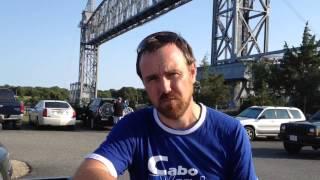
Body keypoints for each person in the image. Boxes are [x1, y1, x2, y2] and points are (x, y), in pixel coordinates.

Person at [74, 31, 258, 180]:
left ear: (193, 72)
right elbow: (90, 172)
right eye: (152, 79)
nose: (165, 87)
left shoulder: (230, 132)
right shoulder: (133, 128)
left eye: (173, 74)